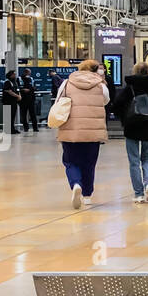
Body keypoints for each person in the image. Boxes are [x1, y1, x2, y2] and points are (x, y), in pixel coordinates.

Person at [54, 59, 108, 210]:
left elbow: (58, 101)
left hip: (71, 129)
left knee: (70, 161)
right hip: (92, 130)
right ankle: (88, 196)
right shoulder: (101, 85)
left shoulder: (66, 83)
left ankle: (76, 183)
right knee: (89, 163)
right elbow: (106, 101)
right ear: (96, 70)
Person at [111, 61, 148, 203]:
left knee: (133, 161)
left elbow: (116, 105)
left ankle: (139, 193)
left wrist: (124, 119)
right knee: (147, 158)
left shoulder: (130, 87)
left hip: (131, 127)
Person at [1, 69, 22, 133]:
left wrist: (19, 96)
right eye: (14, 74)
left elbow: (17, 90)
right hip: (8, 102)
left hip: (14, 101)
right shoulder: (7, 82)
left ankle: (12, 129)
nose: (15, 75)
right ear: (10, 75)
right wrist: (17, 96)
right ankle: (8, 129)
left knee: (13, 116)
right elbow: (9, 91)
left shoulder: (15, 82)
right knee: (8, 116)